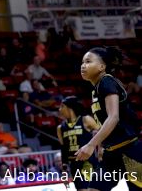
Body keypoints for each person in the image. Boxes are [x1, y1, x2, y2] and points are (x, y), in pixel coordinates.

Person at [75, 47, 142, 191]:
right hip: (112, 154)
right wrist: (101, 144)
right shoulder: (96, 89)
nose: (83, 65)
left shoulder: (106, 81)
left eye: (88, 61)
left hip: (130, 151)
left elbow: (113, 117)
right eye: (82, 62)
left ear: (102, 66)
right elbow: (104, 120)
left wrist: (91, 144)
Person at [56, 96, 99, 191]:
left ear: (69, 107)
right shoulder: (60, 128)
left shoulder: (85, 120)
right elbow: (64, 150)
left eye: (62, 106)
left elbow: (102, 133)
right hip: (74, 164)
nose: (59, 109)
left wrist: (101, 151)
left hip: (88, 161)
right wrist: (64, 170)